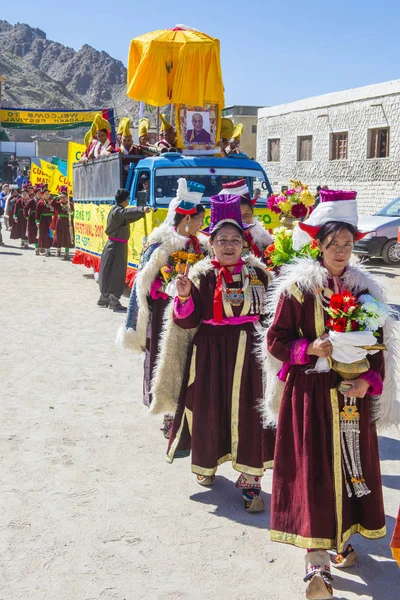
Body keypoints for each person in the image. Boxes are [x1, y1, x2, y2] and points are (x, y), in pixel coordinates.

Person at [263, 189, 400, 599]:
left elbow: (379, 348)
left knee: (349, 468)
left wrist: (367, 383)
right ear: (318, 245)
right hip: (310, 394)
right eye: (332, 243)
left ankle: (341, 538)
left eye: (347, 244)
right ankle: (316, 559)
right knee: (315, 470)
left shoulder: (367, 292)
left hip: (350, 399)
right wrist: (310, 349)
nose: (340, 251)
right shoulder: (298, 290)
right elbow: (276, 341)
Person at [151, 193, 275, 512]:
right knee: (209, 412)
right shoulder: (201, 274)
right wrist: (183, 297)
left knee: (251, 417)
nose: (230, 245)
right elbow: (188, 320)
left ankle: (250, 482)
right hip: (209, 357)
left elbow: (272, 316)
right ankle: (208, 466)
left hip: (251, 359)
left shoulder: (259, 274)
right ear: (212, 242)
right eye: (222, 239)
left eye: (236, 238)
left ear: (244, 243)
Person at [119, 179, 208, 437]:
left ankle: (191, 409)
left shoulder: (198, 245)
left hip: (194, 311)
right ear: (187, 218)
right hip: (165, 314)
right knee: (168, 359)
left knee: (192, 359)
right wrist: (166, 287)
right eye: (199, 220)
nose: (202, 225)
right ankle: (169, 411)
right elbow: (145, 282)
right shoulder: (161, 245)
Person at [98, 188, 150, 311]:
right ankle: (113, 300)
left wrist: (141, 212)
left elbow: (129, 217)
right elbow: (126, 214)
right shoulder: (118, 212)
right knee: (116, 272)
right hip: (116, 246)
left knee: (109, 271)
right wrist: (141, 209)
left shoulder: (116, 211)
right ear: (125, 200)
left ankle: (104, 298)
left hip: (115, 245)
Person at [220, 179, 273, 258]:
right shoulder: (219, 243)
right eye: (238, 215)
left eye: (247, 214)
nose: (243, 220)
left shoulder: (261, 238)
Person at [52, 187, 74, 260]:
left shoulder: (70, 204)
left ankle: (66, 252)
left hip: (68, 222)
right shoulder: (58, 204)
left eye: (65, 197)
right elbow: (52, 203)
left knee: (67, 237)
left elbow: (74, 213)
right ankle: (58, 251)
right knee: (59, 236)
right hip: (60, 222)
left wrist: (71, 212)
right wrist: (57, 197)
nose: (64, 198)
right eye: (62, 197)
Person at [36, 187, 54, 256]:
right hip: (43, 220)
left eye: (48, 194)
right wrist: (37, 221)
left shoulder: (51, 202)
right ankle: (46, 249)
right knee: (44, 235)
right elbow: (37, 214)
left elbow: (54, 211)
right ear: (42, 195)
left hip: (50, 220)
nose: (47, 195)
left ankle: (49, 249)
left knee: (50, 234)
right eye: (46, 194)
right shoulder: (40, 203)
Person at [24, 183, 41, 254]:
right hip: (32, 218)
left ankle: (41, 246)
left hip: (41, 218)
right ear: (35, 194)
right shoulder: (31, 201)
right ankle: (36, 247)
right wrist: (27, 216)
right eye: (38, 193)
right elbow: (25, 208)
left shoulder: (43, 201)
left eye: (41, 193)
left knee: (41, 232)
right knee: (34, 233)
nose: (39, 194)